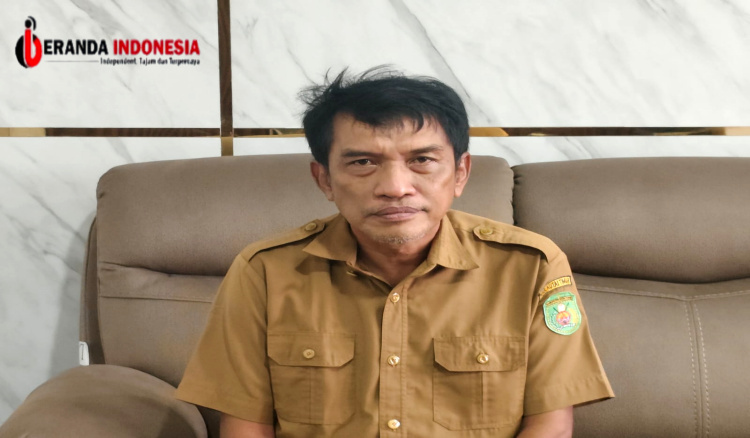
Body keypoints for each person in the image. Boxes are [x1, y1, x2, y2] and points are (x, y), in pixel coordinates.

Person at [175, 67, 614, 437]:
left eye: (422, 160)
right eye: (363, 162)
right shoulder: (265, 271)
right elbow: (245, 428)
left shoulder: (531, 266)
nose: (395, 187)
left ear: (460, 173)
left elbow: (550, 427)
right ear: (324, 179)